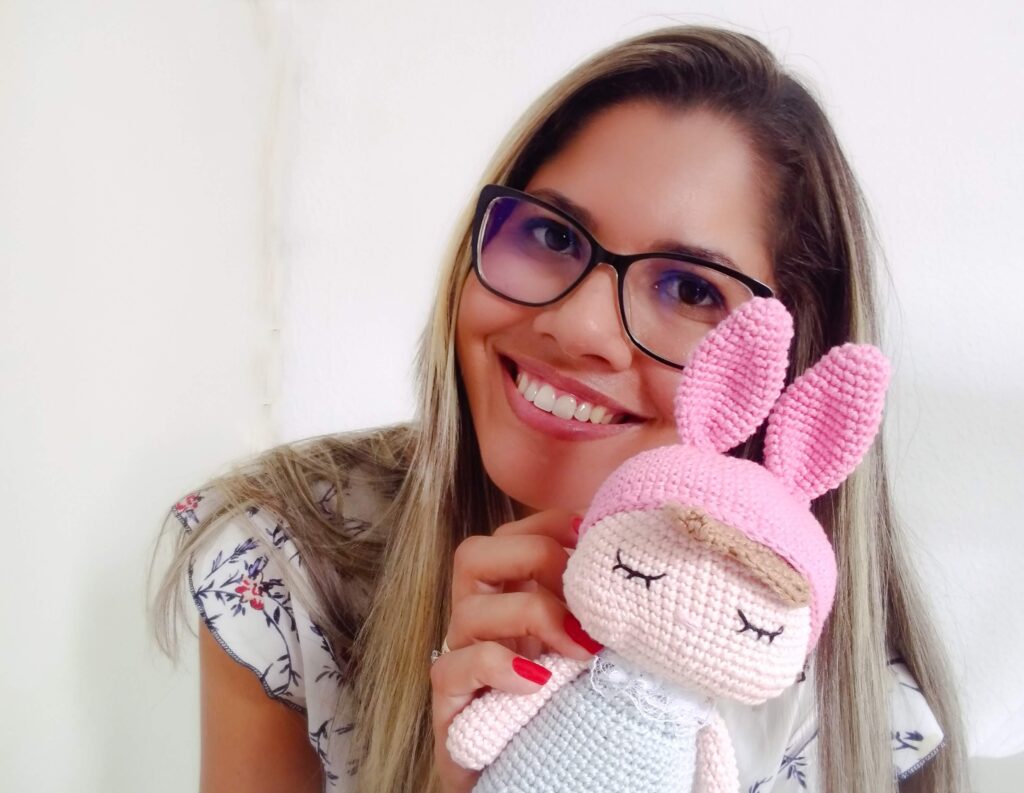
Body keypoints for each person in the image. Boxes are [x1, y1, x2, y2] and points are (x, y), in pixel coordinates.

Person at [153, 25, 967, 793]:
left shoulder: (841, 713)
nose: (578, 326)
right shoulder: (289, 562)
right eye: (552, 237)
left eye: (689, 289)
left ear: (791, 370)